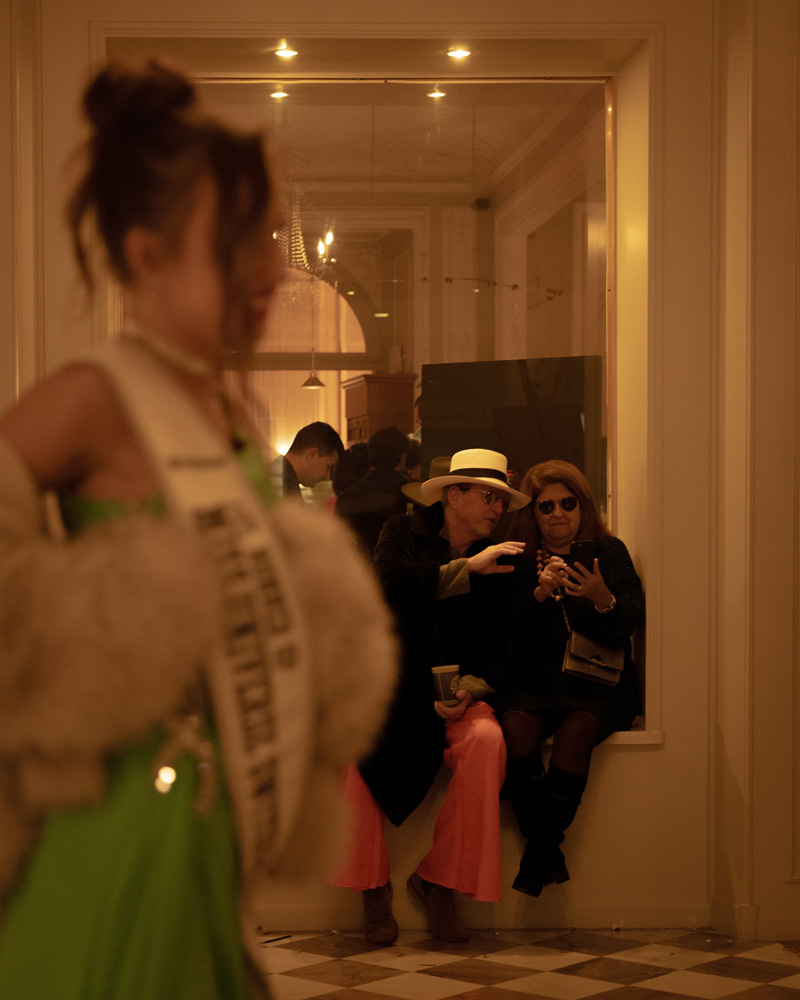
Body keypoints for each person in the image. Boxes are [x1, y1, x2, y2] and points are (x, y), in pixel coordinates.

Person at [0, 59, 395, 999]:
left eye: (268, 236)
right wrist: (90, 634)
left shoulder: (225, 410)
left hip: (213, 824)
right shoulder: (92, 396)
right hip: (116, 821)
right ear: (145, 252)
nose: (270, 269)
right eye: (234, 239)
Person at [331, 449, 528, 944]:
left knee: (487, 741)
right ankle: (372, 889)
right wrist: (465, 568)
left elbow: (503, 644)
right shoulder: (402, 530)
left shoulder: (500, 560)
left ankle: (441, 884)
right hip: (395, 689)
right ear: (453, 495)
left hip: (458, 693)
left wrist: (471, 689)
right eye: (489, 497)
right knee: (357, 752)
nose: (497, 508)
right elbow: (387, 582)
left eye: (502, 500)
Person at [499, 460, 644, 898]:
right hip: (538, 684)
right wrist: (539, 593)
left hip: (599, 686)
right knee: (515, 727)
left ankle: (538, 852)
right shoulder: (520, 558)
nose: (558, 513)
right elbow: (508, 634)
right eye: (546, 506)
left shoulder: (609, 552)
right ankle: (546, 852)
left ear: (583, 506)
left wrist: (603, 599)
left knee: (576, 731)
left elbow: (631, 620)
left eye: (568, 503)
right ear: (533, 513)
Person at [335, 426, 410, 556]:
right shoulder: (410, 492)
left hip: (359, 565)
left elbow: (338, 544)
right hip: (400, 564)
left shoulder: (348, 496)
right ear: (402, 457)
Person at [270, 421, 344, 499]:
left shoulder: (276, 476)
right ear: (311, 455)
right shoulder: (283, 488)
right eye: (328, 467)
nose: (328, 477)